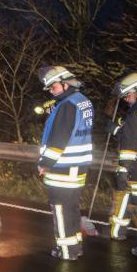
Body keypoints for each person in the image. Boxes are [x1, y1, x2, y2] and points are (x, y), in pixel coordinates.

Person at [37, 66, 94, 260]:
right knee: (71, 207)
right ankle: (75, 246)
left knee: (60, 208)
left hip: (62, 166)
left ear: (65, 83)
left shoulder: (67, 106)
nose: (51, 91)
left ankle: (66, 250)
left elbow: (59, 139)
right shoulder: (83, 101)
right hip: (79, 166)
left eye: (53, 87)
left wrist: (45, 163)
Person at [111, 72, 137, 259]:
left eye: (128, 95)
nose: (126, 100)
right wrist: (120, 128)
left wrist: (122, 170)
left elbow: (130, 145)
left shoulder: (135, 113)